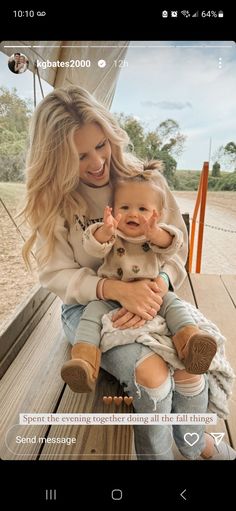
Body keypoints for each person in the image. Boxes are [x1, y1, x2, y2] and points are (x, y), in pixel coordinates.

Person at [22, 85, 235, 460]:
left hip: (154, 294)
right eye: (79, 155)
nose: (96, 163)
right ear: (54, 160)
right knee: (153, 376)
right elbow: (55, 275)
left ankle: (194, 442)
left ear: (111, 136)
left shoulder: (145, 182)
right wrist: (113, 289)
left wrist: (159, 284)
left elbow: (175, 247)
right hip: (89, 308)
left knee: (189, 367)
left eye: (101, 146)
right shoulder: (55, 201)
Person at [67, 165, 217, 393]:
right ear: (113, 209)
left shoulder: (157, 234)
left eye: (143, 209)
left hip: (152, 293)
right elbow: (91, 246)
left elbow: (172, 245)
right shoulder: (111, 232)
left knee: (174, 306)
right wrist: (104, 232)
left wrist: (155, 233)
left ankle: (190, 343)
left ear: (156, 214)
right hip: (112, 296)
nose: (133, 214)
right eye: (124, 207)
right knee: (91, 315)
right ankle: (84, 362)